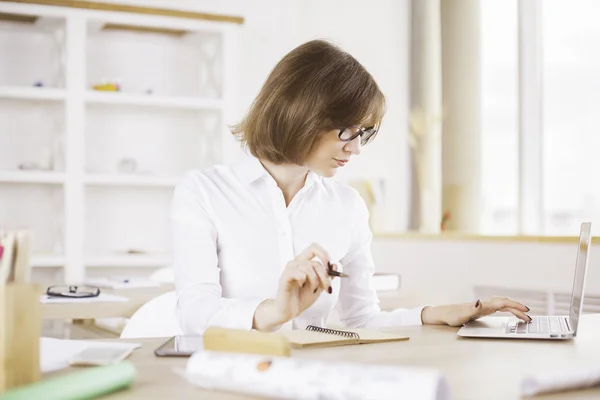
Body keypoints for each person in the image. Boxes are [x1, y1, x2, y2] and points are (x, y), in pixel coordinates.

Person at [171, 39, 531, 334]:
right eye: (347, 131)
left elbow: (362, 320)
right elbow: (193, 313)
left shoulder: (347, 205)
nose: (356, 148)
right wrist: (275, 311)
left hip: (316, 378)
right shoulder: (202, 192)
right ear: (302, 113)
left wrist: (437, 313)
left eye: (364, 134)